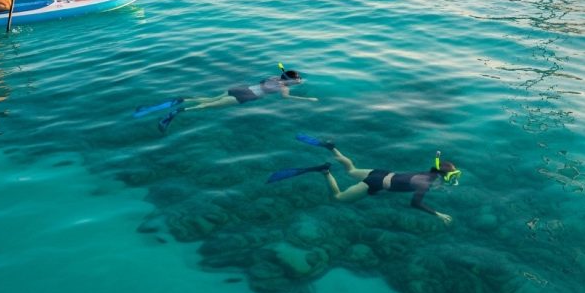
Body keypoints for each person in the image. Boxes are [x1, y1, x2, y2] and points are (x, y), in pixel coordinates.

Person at [268, 135, 461, 225]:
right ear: (444, 175)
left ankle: (331, 147)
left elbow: (437, 166)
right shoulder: (424, 184)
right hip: (376, 183)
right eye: (452, 175)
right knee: (338, 198)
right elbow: (415, 203)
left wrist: (440, 167)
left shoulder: (431, 172)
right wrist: (438, 214)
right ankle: (325, 171)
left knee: (351, 169)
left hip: (382, 172)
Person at [136, 64, 318, 132]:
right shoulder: (282, 85)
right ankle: (178, 111)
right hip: (248, 96)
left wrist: (293, 80)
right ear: (291, 80)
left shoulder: (275, 77)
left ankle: (183, 100)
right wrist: (307, 100)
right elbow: (286, 97)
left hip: (239, 89)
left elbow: (285, 78)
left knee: (209, 99)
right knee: (208, 107)